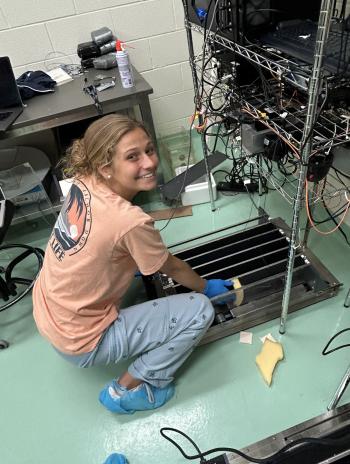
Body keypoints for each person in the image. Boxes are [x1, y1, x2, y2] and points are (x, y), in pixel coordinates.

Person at [32, 114, 233, 415]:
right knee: (198, 311)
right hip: (81, 339)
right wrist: (206, 288)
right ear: (106, 167)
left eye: (149, 150)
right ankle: (129, 389)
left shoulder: (83, 182)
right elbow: (173, 268)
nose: (149, 163)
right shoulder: (129, 221)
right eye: (132, 157)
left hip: (48, 310)